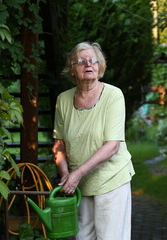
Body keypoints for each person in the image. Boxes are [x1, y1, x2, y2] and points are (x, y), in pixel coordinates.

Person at [52, 42, 135, 240]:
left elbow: (112, 146)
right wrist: (66, 174)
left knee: (110, 237)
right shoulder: (63, 100)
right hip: (79, 185)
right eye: (81, 61)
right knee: (82, 237)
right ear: (72, 69)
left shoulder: (113, 95)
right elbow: (59, 144)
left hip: (111, 179)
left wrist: (76, 174)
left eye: (93, 60)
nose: (88, 64)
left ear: (100, 66)